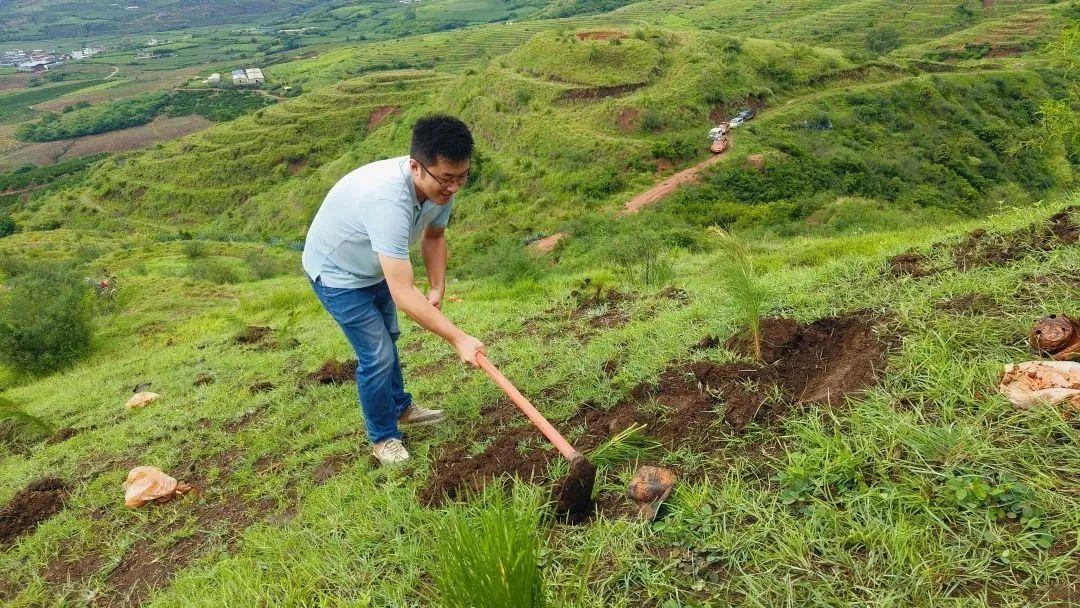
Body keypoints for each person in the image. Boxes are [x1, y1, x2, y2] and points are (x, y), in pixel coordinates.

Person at [302, 114, 486, 464]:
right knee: (377, 354)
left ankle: (402, 408)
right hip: (337, 274)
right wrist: (459, 338)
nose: (454, 188)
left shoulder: (442, 188)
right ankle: (383, 436)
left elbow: (434, 235)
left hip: (374, 269)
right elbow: (403, 293)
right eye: (447, 179)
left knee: (389, 337)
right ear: (417, 167)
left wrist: (436, 286)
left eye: (462, 177)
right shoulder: (388, 200)